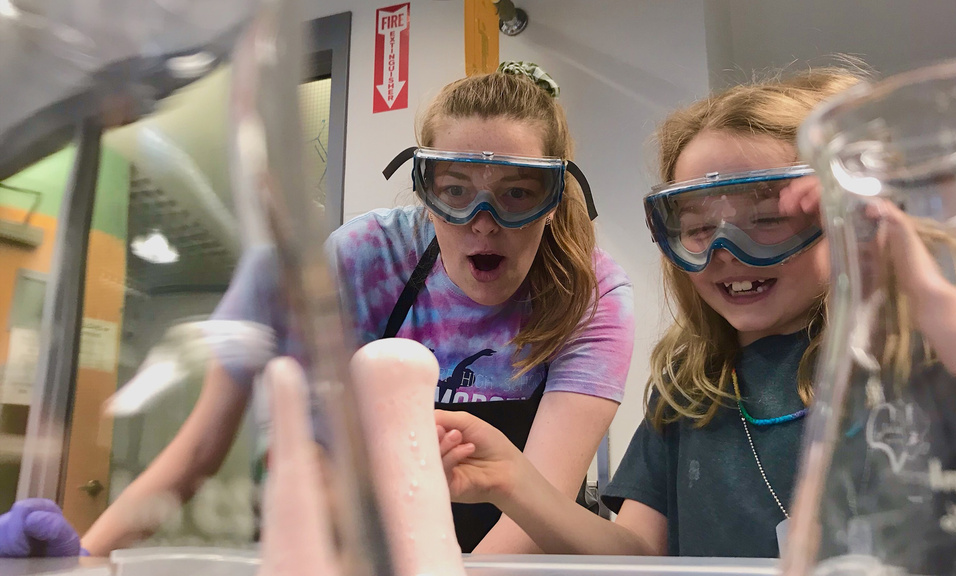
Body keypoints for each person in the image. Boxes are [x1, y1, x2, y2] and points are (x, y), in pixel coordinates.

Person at [0, 63, 635, 557]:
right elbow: (206, 453)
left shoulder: (591, 292)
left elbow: (538, 501)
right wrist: (84, 556)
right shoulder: (364, 259)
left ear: (553, 199)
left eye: (518, 194)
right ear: (426, 190)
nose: (483, 225)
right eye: (454, 193)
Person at [435, 66, 956, 567]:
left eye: (766, 219)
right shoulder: (691, 387)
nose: (725, 251)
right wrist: (511, 481)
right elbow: (638, 557)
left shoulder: (934, 363)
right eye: (696, 228)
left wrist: (940, 313)